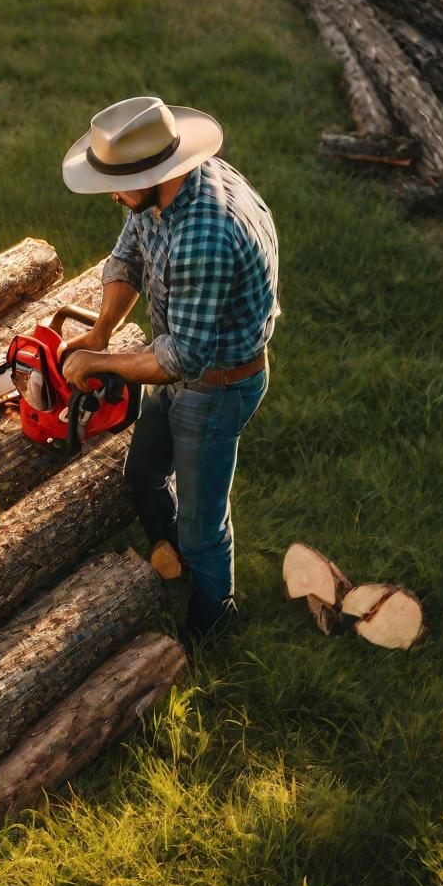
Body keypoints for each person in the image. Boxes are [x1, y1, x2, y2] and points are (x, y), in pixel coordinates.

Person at [59, 96, 279, 640]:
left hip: (218, 384)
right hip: (183, 366)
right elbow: (127, 258)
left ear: (156, 173)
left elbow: (183, 357)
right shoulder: (161, 195)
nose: (112, 194)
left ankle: (213, 614)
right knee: (143, 474)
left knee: (204, 527)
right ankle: (173, 559)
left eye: (118, 183)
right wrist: (100, 333)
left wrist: (100, 362)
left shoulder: (205, 234)